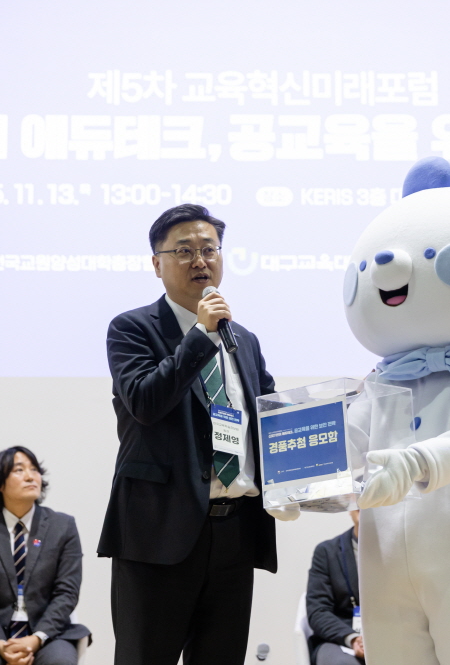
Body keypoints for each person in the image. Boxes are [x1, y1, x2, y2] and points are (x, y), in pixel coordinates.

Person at [98, 204, 293, 665]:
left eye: (209, 249)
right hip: (159, 533)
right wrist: (200, 336)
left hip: (234, 532)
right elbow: (145, 402)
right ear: (157, 264)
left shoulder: (244, 340)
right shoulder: (132, 329)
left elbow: (269, 420)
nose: (200, 260)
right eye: (184, 251)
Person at [0, 447, 90, 665]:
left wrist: (36, 639)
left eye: (34, 469)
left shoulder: (63, 527)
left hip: (50, 634)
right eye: (19, 470)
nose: (30, 476)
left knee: (60, 662)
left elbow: (67, 592)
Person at [306, 510, 365, 664]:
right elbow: (318, 611)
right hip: (340, 639)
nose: (363, 503)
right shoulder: (326, 552)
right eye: (358, 499)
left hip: (391, 636)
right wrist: (353, 639)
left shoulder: (401, 552)